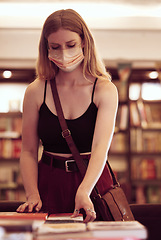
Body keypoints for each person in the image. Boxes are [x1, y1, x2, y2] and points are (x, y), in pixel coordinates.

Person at [17, 9, 118, 223]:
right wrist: (32, 193)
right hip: (49, 181)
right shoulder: (36, 91)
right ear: (46, 49)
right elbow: (27, 150)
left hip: (92, 180)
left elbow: (101, 148)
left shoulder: (104, 89)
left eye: (70, 45)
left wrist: (84, 189)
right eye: (55, 47)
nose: (63, 53)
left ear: (84, 42)